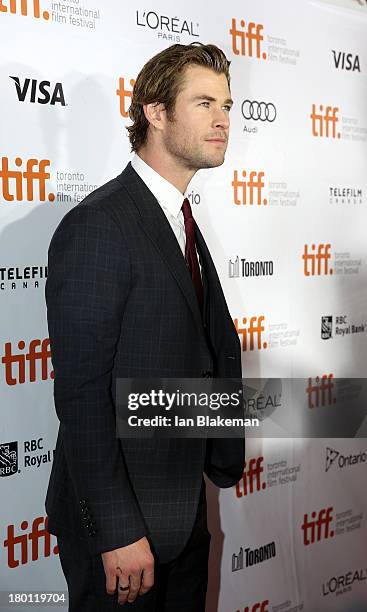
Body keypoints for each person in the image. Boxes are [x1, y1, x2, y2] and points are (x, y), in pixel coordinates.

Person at [45, 42, 245, 611]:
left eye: (227, 105)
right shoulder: (99, 225)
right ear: (154, 112)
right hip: (122, 534)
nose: (223, 120)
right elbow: (82, 394)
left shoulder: (180, 217)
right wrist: (117, 531)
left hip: (182, 513)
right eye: (204, 102)